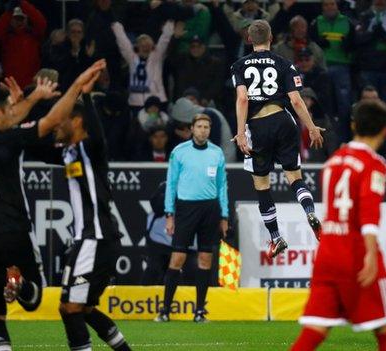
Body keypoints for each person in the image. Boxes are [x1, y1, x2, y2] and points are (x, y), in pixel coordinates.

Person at [0, 60, 105, 351]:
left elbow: (8, 121)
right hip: (14, 229)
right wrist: (75, 87)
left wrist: (28, 100)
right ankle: (20, 285)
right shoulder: (8, 140)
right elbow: (48, 122)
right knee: (34, 298)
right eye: (8, 107)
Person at [292, 100, 386, 351]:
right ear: (385, 130)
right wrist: (371, 254)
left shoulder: (333, 162)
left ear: (353, 126)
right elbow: (368, 215)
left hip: (327, 254)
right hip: (355, 253)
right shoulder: (374, 164)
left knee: (315, 330)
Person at [49, 70, 132, 351]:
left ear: (77, 121)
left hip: (95, 240)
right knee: (79, 309)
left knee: (71, 308)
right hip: (85, 241)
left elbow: (97, 135)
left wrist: (85, 94)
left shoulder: (91, 149)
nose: (55, 126)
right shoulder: (66, 152)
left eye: (62, 121)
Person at [231, 20, 324, 258]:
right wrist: (312, 127)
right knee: (294, 176)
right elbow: (296, 100)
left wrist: (241, 132)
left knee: (262, 185)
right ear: (270, 37)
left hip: (258, 125)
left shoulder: (239, 65)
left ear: (249, 39)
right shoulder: (284, 63)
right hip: (283, 121)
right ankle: (310, 211)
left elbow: (242, 99)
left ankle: (276, 238)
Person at [154, 114, 229, 323]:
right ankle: (165, 310)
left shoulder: (217, 153)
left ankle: (199, 312)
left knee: (205, 259)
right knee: (177, 258)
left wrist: (224, 215)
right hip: (186, 209)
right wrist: (170, 214)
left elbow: (223, 186)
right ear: (192, 129)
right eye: (200, 126)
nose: (203, 130)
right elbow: (171, 184)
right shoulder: (179, 152)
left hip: (210, 209)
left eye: (207, 126)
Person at [111, 20, 173, 115]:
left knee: (155, 127)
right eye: (143, 45)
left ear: (152, 46)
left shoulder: (157, 57)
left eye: (148, 45)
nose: (145, 48)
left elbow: (164, 40)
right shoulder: (132, 57)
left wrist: (169, 25)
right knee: (137, 128)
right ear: (137, 46)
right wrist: (116, 27)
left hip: (156, 101)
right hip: (136, 103)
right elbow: (123, 42)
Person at [354, 0, 386, 110]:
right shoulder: (364, 16)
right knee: (368, 106)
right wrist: (372, 34)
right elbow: (357, 39)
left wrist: (385, 35)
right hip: (369, 67)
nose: (380, 1)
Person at [0, 1, 47, 88]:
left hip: (31, 84)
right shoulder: (6, 37)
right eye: (16, 19)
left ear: (27, 19)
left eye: (21, 19)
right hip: (10, 84)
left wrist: (22, 3)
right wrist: (9, 12)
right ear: (10, 20)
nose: (19, 22)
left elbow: (41, 22)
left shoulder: (34, 35)